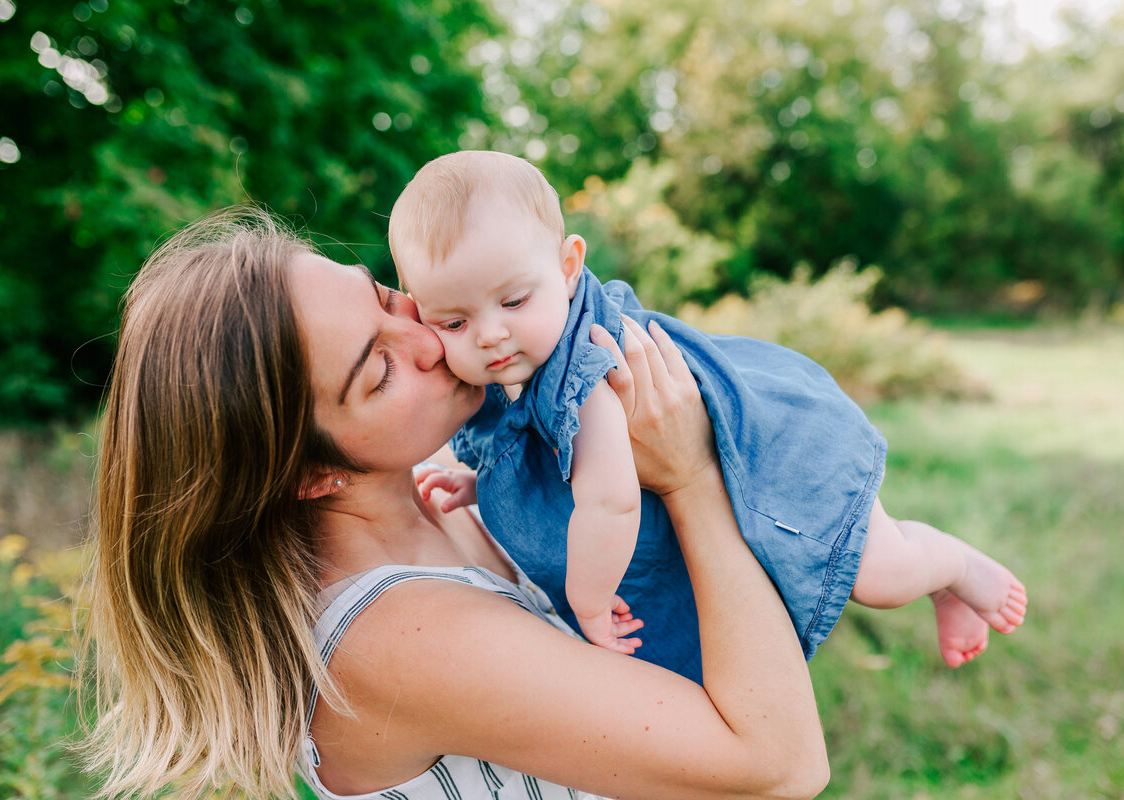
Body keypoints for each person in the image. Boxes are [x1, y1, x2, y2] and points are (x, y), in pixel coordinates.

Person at [80, 206, 830, 800]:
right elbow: (778, 765)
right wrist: (693, 477)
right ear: (308, 475)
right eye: (380, 370)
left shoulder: (446, 484)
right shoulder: (397, 638)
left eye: (384, 298)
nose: (432, 342)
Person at [389, 150, 1028, 669]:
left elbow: (609, 498)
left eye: (513, 301)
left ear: (567, 265)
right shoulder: (522, 362)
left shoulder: (591, 369)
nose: (490, 335)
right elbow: (555, 458)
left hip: (777, 452)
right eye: (454, 320)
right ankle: (943, 580)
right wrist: (485, 482)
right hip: (731, 455)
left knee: (882, 577)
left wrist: (589, 602)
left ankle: (955, 566)